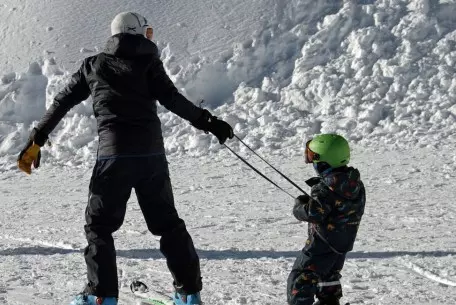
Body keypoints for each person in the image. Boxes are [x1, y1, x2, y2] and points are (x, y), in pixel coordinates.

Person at [18, 11, 234, 305]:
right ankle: (189, 294)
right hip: (151, 157)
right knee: (168, 225)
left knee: (99, 227)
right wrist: (208, 122)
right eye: (146, 32)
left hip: (113, 157)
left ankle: (101, 296)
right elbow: (173, 99)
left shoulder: (92, 65)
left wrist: (37, 138)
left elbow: (62, 101)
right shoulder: (149, 63)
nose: (149, 37)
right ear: (136, 31)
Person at [287, 134, 366, 305]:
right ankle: (329, 301)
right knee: (328, 275)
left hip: (321, 243)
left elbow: (314, 213)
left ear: (322, 162)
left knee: (301, 276)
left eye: (312, 158)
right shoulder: (355, 184)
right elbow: (338, 206)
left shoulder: (324, 188)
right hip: (342, 243)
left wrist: (300, 206)